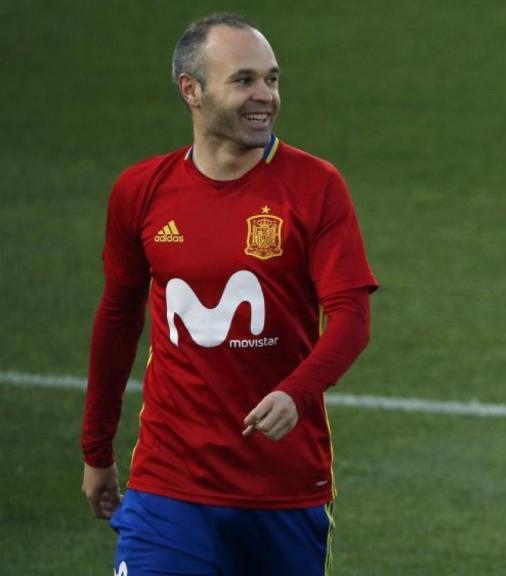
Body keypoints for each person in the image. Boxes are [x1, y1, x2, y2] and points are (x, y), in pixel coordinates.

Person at [80, 13, 378, 575]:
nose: (265, 95)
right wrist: (96, 449)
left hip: (283, 490)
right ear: (191, 89)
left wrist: (297, 391)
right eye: (244, 80)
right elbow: (118, 321)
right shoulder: (141, 192)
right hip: (168, 486)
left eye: (272, 79)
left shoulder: (315, 187)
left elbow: (351, 316)